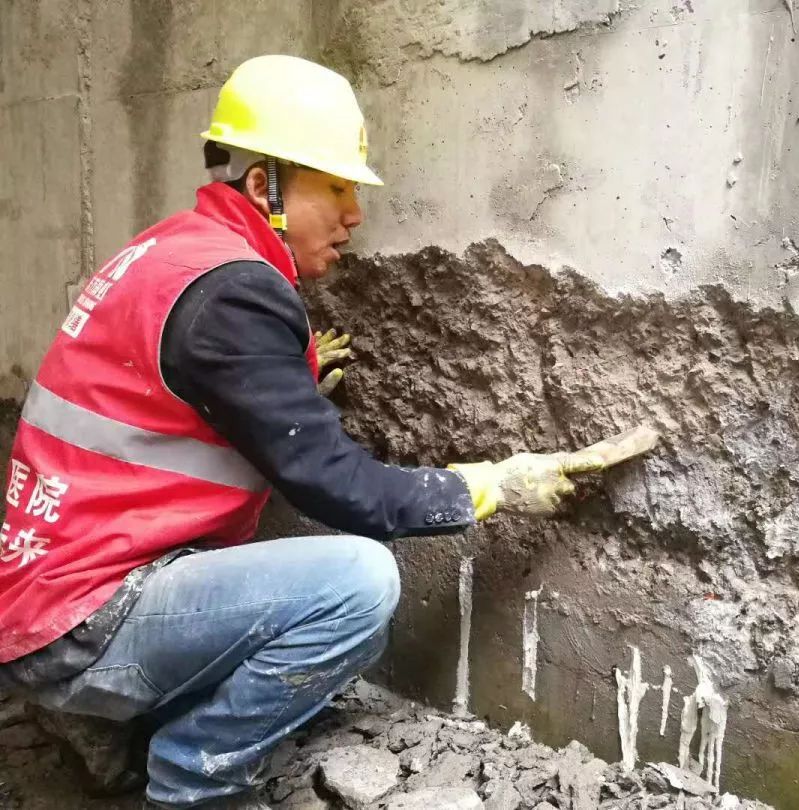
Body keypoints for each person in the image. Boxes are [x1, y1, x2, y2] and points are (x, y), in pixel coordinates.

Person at [0, 54, 610, 810]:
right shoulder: (234, 296)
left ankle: (109, 726)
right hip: (82, 620)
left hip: (50, 595)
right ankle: (192, 777)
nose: (355, 215)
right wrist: (493, 485)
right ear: (266, 187)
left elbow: (160, 395)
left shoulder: (178, 254)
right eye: (337, 188)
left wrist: (280, 382)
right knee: (357, 584)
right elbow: (340, 487)